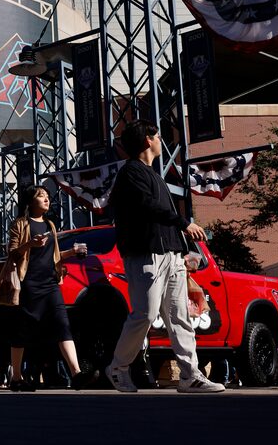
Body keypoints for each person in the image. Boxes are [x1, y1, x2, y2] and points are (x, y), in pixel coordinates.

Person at [107, 119, 224, 393]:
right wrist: (184, 223)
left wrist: (181, 252)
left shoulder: (154, 175)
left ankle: (190, 375)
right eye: (157, 135)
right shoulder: (131, 173)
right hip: (146, 255)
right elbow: (147, 207)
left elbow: (158, 214)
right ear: (148, 140)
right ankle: (117, 368)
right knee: (145, 315)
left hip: (171, 256)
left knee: (179, 316)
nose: (161, 140)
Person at [7, 185, 96, 391]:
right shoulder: (20, 224)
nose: (46, 199)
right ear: (30, 202)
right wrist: (30, 244)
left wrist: (71, 252)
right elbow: (12, 254)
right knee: (23, 331)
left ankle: (76, 374)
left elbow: (54, 256)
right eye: (41, 196)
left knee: (62, 324)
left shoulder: (50, 225)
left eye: (47, 196)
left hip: (51, 284)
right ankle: (16, 377)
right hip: (29, 284)